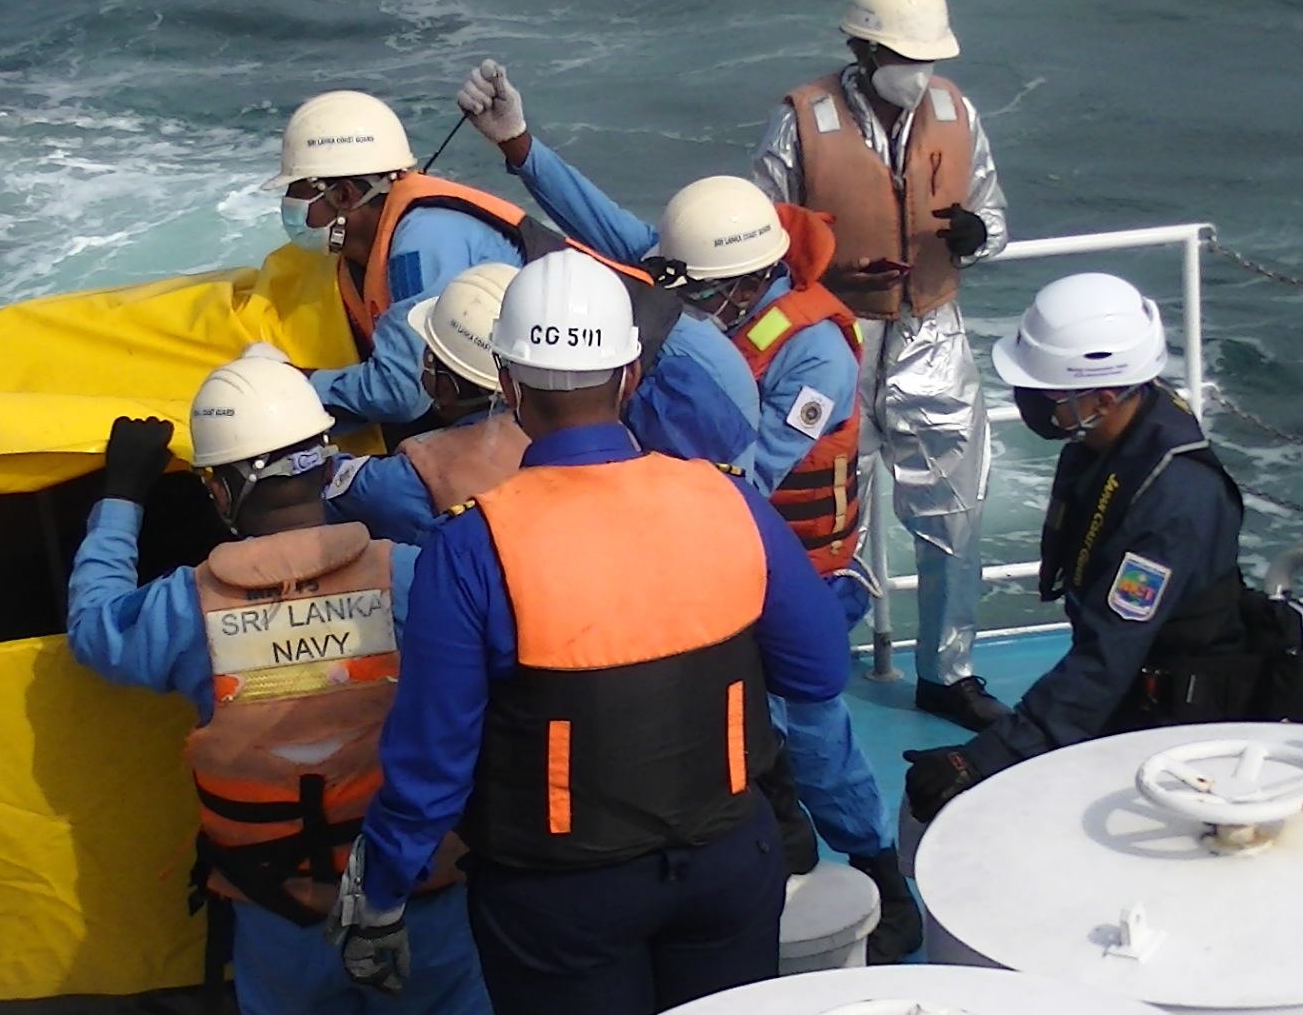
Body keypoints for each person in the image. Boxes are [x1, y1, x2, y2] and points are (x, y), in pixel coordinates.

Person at [454, 61, 919, 960]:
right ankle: (774, 842)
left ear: (749, 283)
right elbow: (610, 232)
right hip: (695, 549)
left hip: (798, 569)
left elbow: (748, 474)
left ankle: (876, 863)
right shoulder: (705, 281)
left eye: (698, 295)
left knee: (808, 729)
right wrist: (519, 147)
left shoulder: (815, 356)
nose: (683, 306)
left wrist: (610, 475)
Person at [332, 251, 852, 1014]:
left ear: (508, 385)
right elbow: (817, 673)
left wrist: (380, 898)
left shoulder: (472, 548)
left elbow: (432, 763)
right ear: (631, 375)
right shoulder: (729, 503)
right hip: (728, 866)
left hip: (559, 901)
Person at [66, 357, 490, 1015]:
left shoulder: (184, 610)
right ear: (326, 467)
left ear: (218, 492)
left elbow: (95, 630)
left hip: (278, 911)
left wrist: (120, 498)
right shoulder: (410, 578)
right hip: (417, 897)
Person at [752, 0, 1011, 731]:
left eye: (929, 58)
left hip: (932, 331)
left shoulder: (958, 115)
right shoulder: (800, 121)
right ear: (864, 51)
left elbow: (995, 213)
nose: (920, 73)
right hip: (833, 338)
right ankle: (812, 664)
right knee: (827, 516)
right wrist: (826, 267)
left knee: (954, 511)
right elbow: (763, 233)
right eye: (905, 56)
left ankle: (948, 672)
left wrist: (978, 234)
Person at [265, 89, 761, 469]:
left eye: (299, 190)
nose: (290, 205)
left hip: (678, 383)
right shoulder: (395, 235)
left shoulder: (422, 241)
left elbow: (403, 388)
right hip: (638, 374)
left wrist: (293, 386)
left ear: (346, 194)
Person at [903, 274, 1245, 823]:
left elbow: (1108, 658)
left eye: (1046, 394)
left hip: (1172, 718)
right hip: (1132, 684)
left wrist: (981, 760)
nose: (1030, 402)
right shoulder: (1116, 436)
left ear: (1104, 397)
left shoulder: (1173, 504)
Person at [326, 263, 529, 546]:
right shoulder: (580, 430)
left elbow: (319, 484)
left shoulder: (414, 477)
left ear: (446, 388)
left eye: (428, 354)